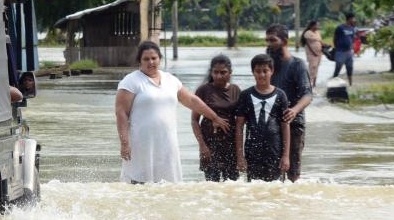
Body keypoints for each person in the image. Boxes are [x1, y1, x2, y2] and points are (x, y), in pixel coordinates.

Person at [114, 40, 231, 183]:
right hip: (142, 144)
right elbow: (121, 113)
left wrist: (214, 117)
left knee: (168, 186)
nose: (151, 62)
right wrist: (124, 143)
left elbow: (191, 100)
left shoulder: (170, 80)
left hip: (167, 144)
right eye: (146, 59)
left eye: (154, 58)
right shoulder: (131, 81)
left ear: (160, 59)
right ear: (139, 61)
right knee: (139, 185)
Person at [265, 23, 313, 182]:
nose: (269, 45)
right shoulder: (269, 67)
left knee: (293, 172)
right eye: (267, 41)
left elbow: (307, 95)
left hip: (293, 123)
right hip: (271, 125)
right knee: (272, 172)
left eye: (273, 40)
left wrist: (294, 110)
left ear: (285, 41)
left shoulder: (297, 65)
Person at [235, 54, 291, 182]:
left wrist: (286, 156)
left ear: (272, 71)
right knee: (254, 187)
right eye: (258, 71)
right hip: (252, 151)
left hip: (274, 150)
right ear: (253, 72)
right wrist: (240, 156)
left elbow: (285, 125)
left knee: (275, 188)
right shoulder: (245, 95)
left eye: (265, 71)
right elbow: (239, 127)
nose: (261, 75)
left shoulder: (280, 95)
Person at [191, 54, 242, 182]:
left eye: (223, 72)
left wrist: (240, 153)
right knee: (212, 187)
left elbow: (241, 122)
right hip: (210, 145)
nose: (219, 76)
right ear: (211, 73)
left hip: (230, 145)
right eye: (216, 72)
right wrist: (202, 146)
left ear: (230, 73)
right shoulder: (203, 90)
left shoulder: (236, 91)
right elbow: (194, 120)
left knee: (232, 187)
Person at [300, 19, 328, 87]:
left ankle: (314, 83)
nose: (318, 26)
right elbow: (308, 45)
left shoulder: (317, 32)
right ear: (312, 25)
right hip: (311, 54)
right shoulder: (308, 33)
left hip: (319, 53)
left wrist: (325, 45)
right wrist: (314, 52)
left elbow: (320, 41)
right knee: (312, 67)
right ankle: (308, 83)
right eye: (317, 25)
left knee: (317, 67)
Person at [332, 12, 358, 85]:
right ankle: (333, 83)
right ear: (349, 19)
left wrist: (352, 47)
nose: (354, 20)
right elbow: (335, 39)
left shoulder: (352, 28)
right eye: (353, 18)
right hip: (340, 52)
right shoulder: (340, 28)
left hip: (349, 52)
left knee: (350, 68)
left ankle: (350, 84)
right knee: (338, 67)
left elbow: (352, 39)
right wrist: (338, 48)